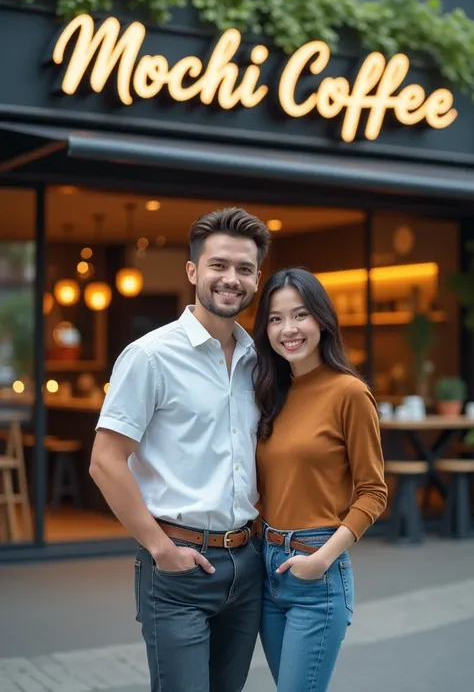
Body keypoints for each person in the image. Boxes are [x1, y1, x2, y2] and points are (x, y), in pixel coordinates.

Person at [90, 207, 271, 692]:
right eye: (219, 265)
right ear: (193, 271)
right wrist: (160, 548)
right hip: (178, 568)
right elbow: (105, 460)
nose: (231, 279)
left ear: (257, 279)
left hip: (246, 563)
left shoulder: (260, 360)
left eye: (244, 269)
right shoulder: (151, 355)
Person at [253, 267, 388, 692]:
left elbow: (373, 492)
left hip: (317, 571)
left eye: (300, 315)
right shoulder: (270, 392)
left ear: (322, 321)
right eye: (275, 318)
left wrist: (321, 559)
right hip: (267, 565)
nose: (288, 329)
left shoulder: (349, 393)